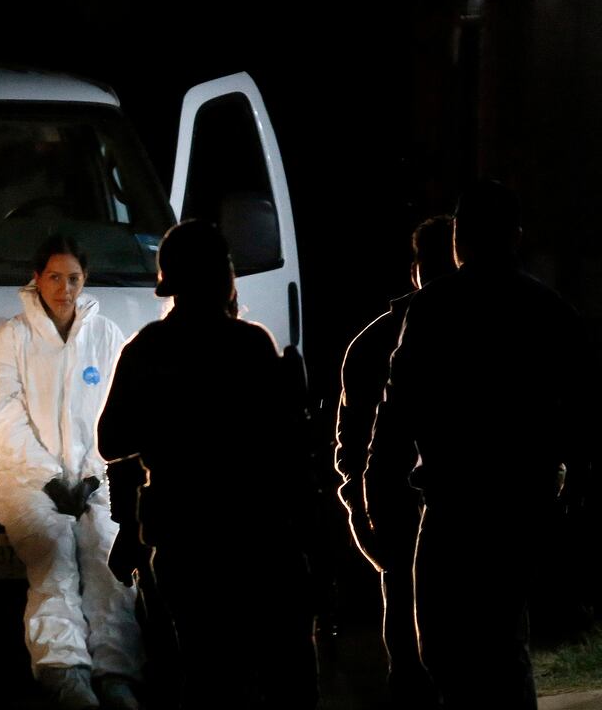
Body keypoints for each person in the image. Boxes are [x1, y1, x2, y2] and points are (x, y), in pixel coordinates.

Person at [364, 180, 595, 709]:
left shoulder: (433, 309)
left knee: (442, 647)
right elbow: (583, 412)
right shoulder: (550, 310)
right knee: (503, 644)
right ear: (515, 237)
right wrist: (572, 487)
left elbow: (396, 412)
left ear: (458, 240)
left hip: (453, 505)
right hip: (522, 506)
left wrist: (377, 493)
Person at [98, 219, 318, 709]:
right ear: (224, 277)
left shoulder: (145, 349)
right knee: (280, 675)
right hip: (256, 535)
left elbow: (111, 441)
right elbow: (285, 446)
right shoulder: (250, 344)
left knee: (206, 674)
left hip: (184, 538)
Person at [0, 234, 143, 710]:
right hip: (29, 482)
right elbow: (2, 416)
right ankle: (62, 669)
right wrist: (48, 476)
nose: (64, 289)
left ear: (84, 280)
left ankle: (116, 672)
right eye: (54, 277)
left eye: (73, 278)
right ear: (37, 279)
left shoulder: (106, 337)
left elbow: (118, 414)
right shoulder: (12, 339)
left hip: (96, 482)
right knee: (55, 558)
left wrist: (91, 474)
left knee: (108, 557)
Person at [334, 215, 454, 709]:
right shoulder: (487, 333)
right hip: (420, 506)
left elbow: (351, 444)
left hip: (395, 504)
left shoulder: (373, 341)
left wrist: (358, 510)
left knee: (407, 632)